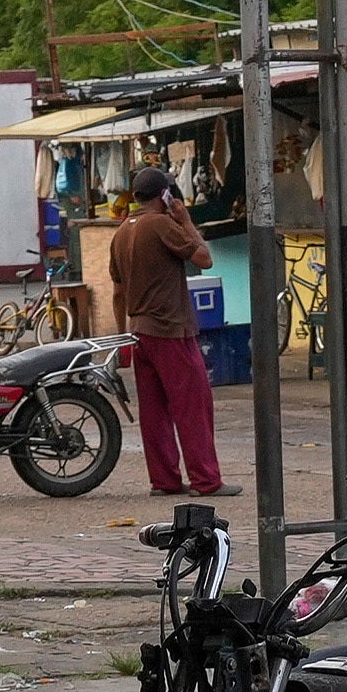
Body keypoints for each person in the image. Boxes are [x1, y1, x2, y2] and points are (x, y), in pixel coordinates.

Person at [112, 164, 220, 496]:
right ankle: (206, 481)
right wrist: (185, 220)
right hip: (170, 330)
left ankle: (164, 481)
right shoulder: (161, 225)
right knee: (193, 407)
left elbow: (117, 293)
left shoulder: (121, 233)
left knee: (154, 412)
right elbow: (205, 259)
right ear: (165, 195)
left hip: (138, 332)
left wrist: (123, 339)